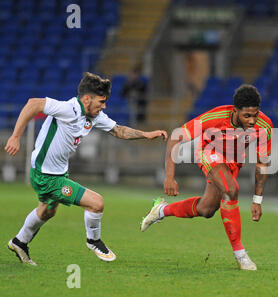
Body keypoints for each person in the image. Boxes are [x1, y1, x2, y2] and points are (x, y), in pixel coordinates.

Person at [4, 72, 167, 265]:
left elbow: (119, 131)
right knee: (96, 203)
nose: (104, 106)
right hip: (46, 176)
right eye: (101, 101)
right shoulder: (69, 109)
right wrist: (15, 136)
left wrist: (146, 135)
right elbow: (33, 103)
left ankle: (19, 242)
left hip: (57, 171)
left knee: (47, 210)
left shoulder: (94, 115)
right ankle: (93, 240)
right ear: (87, 98)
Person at [140, 84, 273, 271]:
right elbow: (175, 137)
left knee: (206, 209)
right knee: (231, 189)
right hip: (208, 152)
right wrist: (169, 177)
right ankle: (241, 256)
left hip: (233, 162)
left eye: (255, 115)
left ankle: (161, 210)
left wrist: (257, 200)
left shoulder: (264, 126)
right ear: (235, 111)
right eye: (247, 116)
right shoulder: (216, 117)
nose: (252, 121)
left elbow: (262, 164)